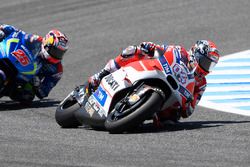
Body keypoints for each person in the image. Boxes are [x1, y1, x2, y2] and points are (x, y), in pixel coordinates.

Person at [88, 40, 220, 127]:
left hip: (171, 98)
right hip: (157, 72)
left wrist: (188, 104)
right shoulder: (179, 51)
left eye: (210, 65)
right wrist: (151, 47)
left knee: (171, 122)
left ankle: (139, 114)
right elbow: (160, 48)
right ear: (196, 54)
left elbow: (190, 110)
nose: (207, 68)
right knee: (132, 51)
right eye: (206, 62)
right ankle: (102, 74)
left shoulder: (201, 83)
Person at [0, 24, 69, 104]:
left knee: (27, 97)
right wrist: (3, 30)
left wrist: (37, 84)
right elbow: (18, 33)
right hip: (15, 61)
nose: (57, 55)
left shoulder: (57, 70)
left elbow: (44, 92)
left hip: (26, 79)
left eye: (60, 53)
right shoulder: (35, 40)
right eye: (56, 51)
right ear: (47, 45)